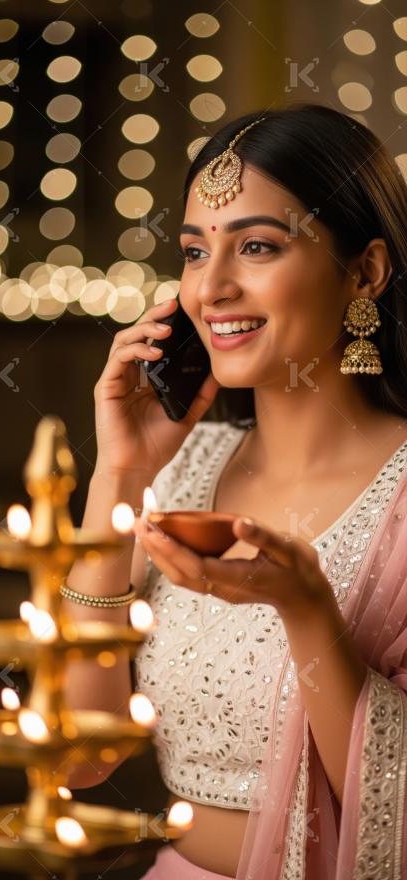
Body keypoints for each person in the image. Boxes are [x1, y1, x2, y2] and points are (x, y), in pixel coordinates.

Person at [61, 103, 407, 880]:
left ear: (366, 271)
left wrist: (306, 606)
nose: (210, 288)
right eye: (191, 252)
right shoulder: (187, 474)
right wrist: (118, 478)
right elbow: (79, 755)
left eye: (256, 246)